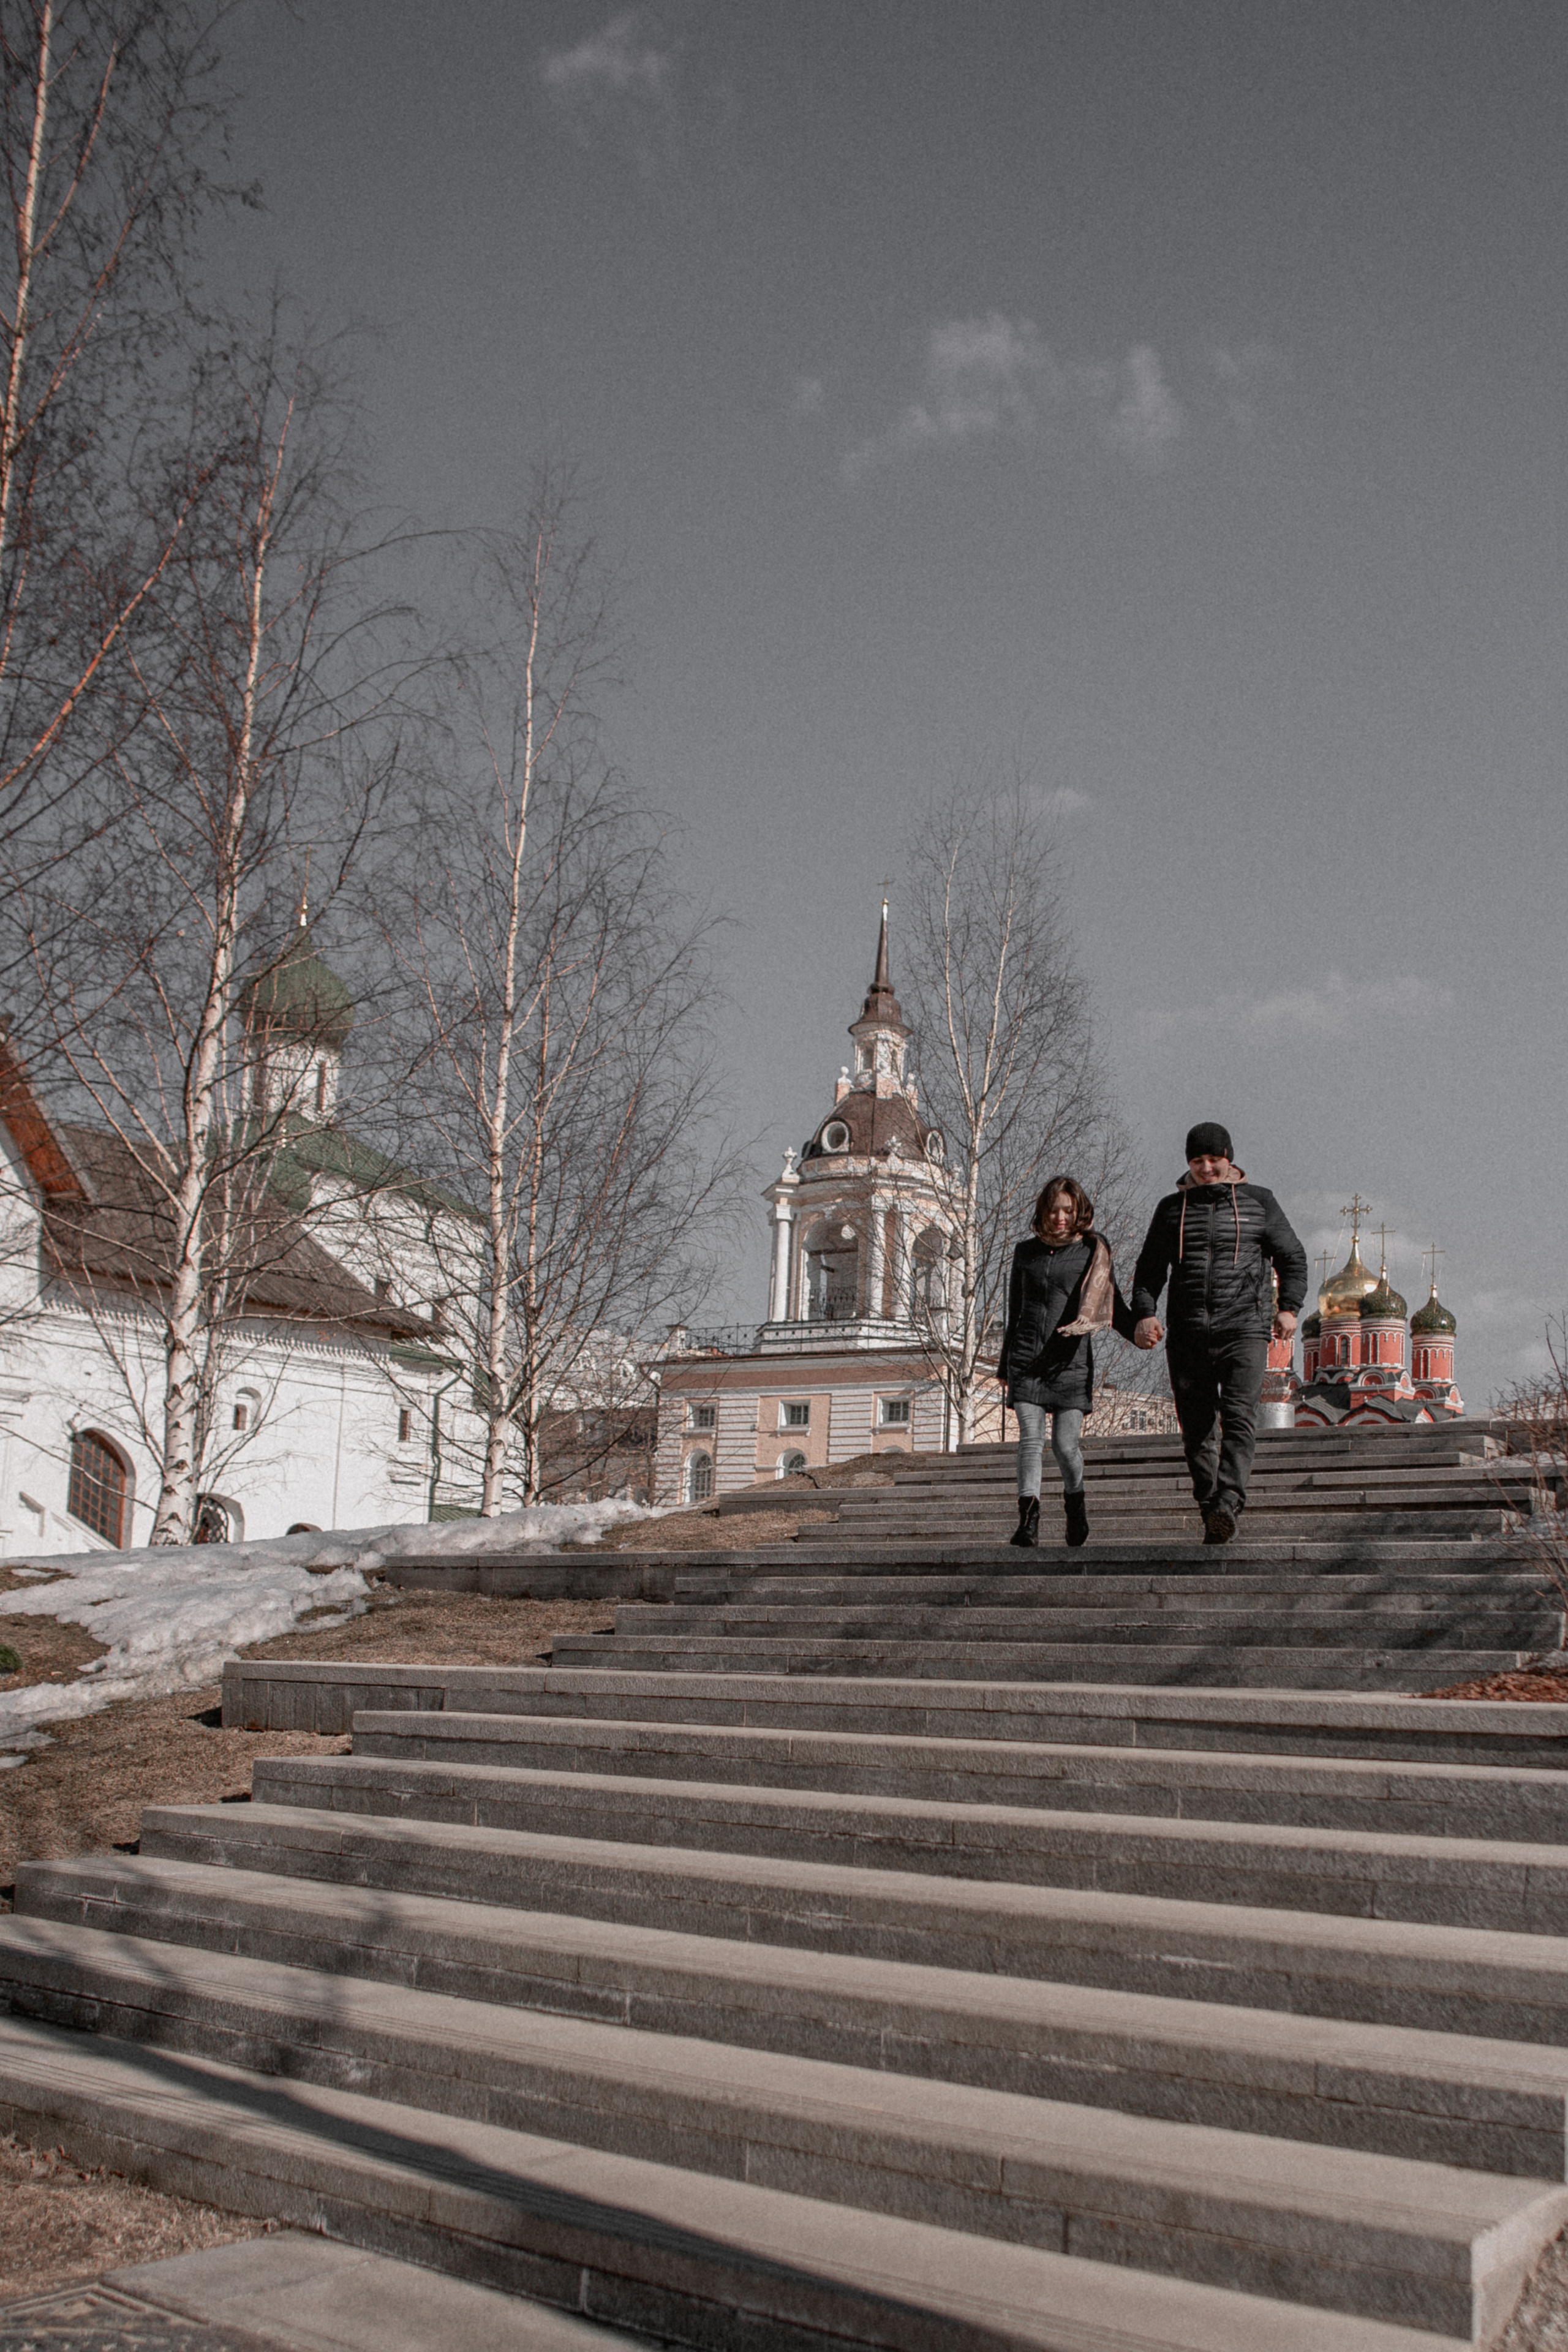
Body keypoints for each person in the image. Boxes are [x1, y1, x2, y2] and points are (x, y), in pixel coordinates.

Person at [1129, 1123, 1307, 1545]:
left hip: (1244, 1328)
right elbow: (1149, 1271)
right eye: (1197, 1161)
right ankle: (1212, 1507)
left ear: (1229, 1158)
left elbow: (1292, 1256)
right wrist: (1145, 1314)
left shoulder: (1259, 1202)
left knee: (1240, 1416)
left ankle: (1229, 1498)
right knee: (1197, 1427)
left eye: (1214, 1160)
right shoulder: (1172, 1209)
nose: (1206, 1168)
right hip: (1190, 1332)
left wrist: (1290, 1309)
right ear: (1188, 1163)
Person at [997, 1175, 1138, 1548]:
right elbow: (1015, 1310)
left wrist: (1139, 1331)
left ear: (1078, 1212)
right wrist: (1003, 1367)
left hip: (1070, 1362)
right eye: (1054, 1210)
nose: (1060, 1218)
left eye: (1068, 1210)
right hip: (1027, 1359)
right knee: (1030, 1440)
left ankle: (1075, 1504)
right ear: (1043, 1210)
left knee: (1065, 1446)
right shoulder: (1024, 1252)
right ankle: (1028, 1522)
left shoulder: (1092, 1252)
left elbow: (1113, 1305)